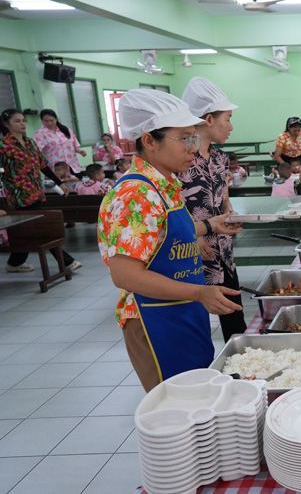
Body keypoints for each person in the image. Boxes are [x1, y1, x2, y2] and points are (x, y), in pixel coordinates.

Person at [97, 89, 243, 392]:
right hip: (154, 317)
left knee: (196, 394)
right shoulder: (136, 194)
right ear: (150, 141)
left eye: (194, 138)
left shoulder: (164, 184)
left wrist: (210, 225)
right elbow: (125, 275)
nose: (193, 147)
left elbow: (164, 234)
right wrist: (200, 292)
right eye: (184, 139)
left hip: (181, 308)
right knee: (176, 402)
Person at [178, 77, 248, 343]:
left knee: (233, 313)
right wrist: (194, 237)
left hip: (222, 247)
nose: (231, 127)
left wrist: (231, 212)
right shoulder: (181, 158)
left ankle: (240, 358)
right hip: (190, 249)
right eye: (227, 119)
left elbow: (223, 197)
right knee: (194, 316)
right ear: (208, 119)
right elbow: (172, 203)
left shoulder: (220, 158)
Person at [0, 108, 82, 273]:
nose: (22, 123)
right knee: (42, 227)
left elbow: (43, 166)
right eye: (17, 121)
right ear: (6, 124)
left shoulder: (30, 142)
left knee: (27, 230)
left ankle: (15, 262)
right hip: (19, 195)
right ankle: (66, 261)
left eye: (23, 120)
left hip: (36, 191)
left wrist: (60, 183)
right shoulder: (3, 146)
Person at [33, 109, 87, 175]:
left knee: (77, 181)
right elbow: (36, 151)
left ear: (56, 119)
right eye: (46, 121)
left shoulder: (65, 130)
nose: (49, 123)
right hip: (56, 169)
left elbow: (74, 146)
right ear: (42, 120)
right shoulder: (40, 133)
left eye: (51, 120)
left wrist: (81, 151)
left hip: (72, 166)